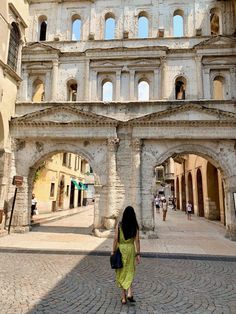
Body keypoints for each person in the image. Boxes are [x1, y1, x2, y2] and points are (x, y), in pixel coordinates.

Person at [111, 206, 141, 305]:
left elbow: (115, 239)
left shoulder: (119, 225)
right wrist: (138, 254)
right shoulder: (135, 226)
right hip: (131, 250)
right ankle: (130, 292)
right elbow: (137, 241)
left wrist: (113, 250)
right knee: (130, 271)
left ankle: (123, 297)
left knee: (122, 272)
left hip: (121, 249)